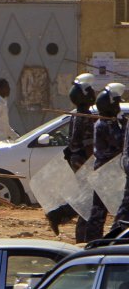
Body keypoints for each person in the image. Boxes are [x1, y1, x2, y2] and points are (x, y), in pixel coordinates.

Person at [47, 73, 97, 238]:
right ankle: (63, 219)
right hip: (83, 160)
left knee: (85, 197)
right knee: (88, 200)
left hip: (76, 159)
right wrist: (93, 165)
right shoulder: (86, 117)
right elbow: (89, 145)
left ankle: (60, 217)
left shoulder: (78, 114)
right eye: (90, 91)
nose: (94, 93)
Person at [88, 83, 125, 239]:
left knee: (100, 209)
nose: (118, 106)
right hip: (106, 171)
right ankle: (96, 239)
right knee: (101, 211)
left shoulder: (108, 122)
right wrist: (125, 127)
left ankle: (93, 238)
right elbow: (119, 142)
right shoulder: (106, 124)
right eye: (116, 103)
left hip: (107, 169)